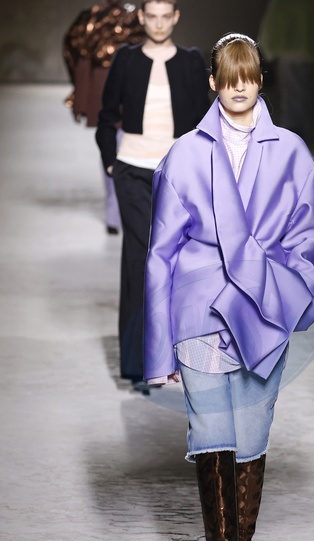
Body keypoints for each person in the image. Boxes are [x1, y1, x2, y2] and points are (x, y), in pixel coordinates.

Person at [143, 33, 314, 541]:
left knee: (251, 440)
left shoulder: (291, 151)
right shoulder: (184, 155)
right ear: (212, 83)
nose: (239, 88)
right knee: (212, 433)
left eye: (248, 77)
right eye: (228, 78)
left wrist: (288, 285)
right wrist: (157, 349)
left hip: (264, 311)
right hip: (200, 307)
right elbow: (160, 253)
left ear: (260, 79)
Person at [95, 0, 211, 383]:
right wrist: (111, 162)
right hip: (132, 169)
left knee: (177, 260)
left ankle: (170, 357)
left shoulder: (191, 61)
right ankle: (137, 363)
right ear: (142, 18)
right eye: (152, 17)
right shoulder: (126, 59)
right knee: (140, 258)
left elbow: (203, 119)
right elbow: (107, 115)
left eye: (166, 16)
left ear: (175, 18)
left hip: (178, 174)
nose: (159, 24)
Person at [63, 1, 145, 234]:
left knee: (117, 145)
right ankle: (116, 211)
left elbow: (76, 53)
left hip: (120, 83)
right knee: (114, 145)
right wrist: (81, 97)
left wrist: (81, 97)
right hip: (111, 84)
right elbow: (81, 55)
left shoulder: (96, 17)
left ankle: (117, 211)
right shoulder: (127, 17)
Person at [258, 0, 314, 144]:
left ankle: (293, 132)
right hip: (307, 52)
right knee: (304, 92)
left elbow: (272, 25)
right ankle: (302, 132)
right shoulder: (312, 4)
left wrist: (267, 49)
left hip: (286, 51)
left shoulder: (282, 3)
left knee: (290, 94)